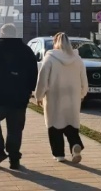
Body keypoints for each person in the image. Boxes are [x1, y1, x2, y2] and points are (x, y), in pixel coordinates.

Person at [0, 24, 38, 170]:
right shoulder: (26, 50)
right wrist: (30, 90)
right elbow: (34, 72)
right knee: (15, 128)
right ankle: (14, 159)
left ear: (2, 33)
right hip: (19, 98)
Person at [35, 32, 88, 163]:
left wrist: (39, 96)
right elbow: (84, 80)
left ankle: (59, 155)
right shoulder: (77, 59)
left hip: (54, 97)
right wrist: (82, 94)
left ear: (55, 42)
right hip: (72, 98)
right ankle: (75, 145)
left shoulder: (50, 58)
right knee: (71, 124)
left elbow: (43, 79)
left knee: (54, 125)